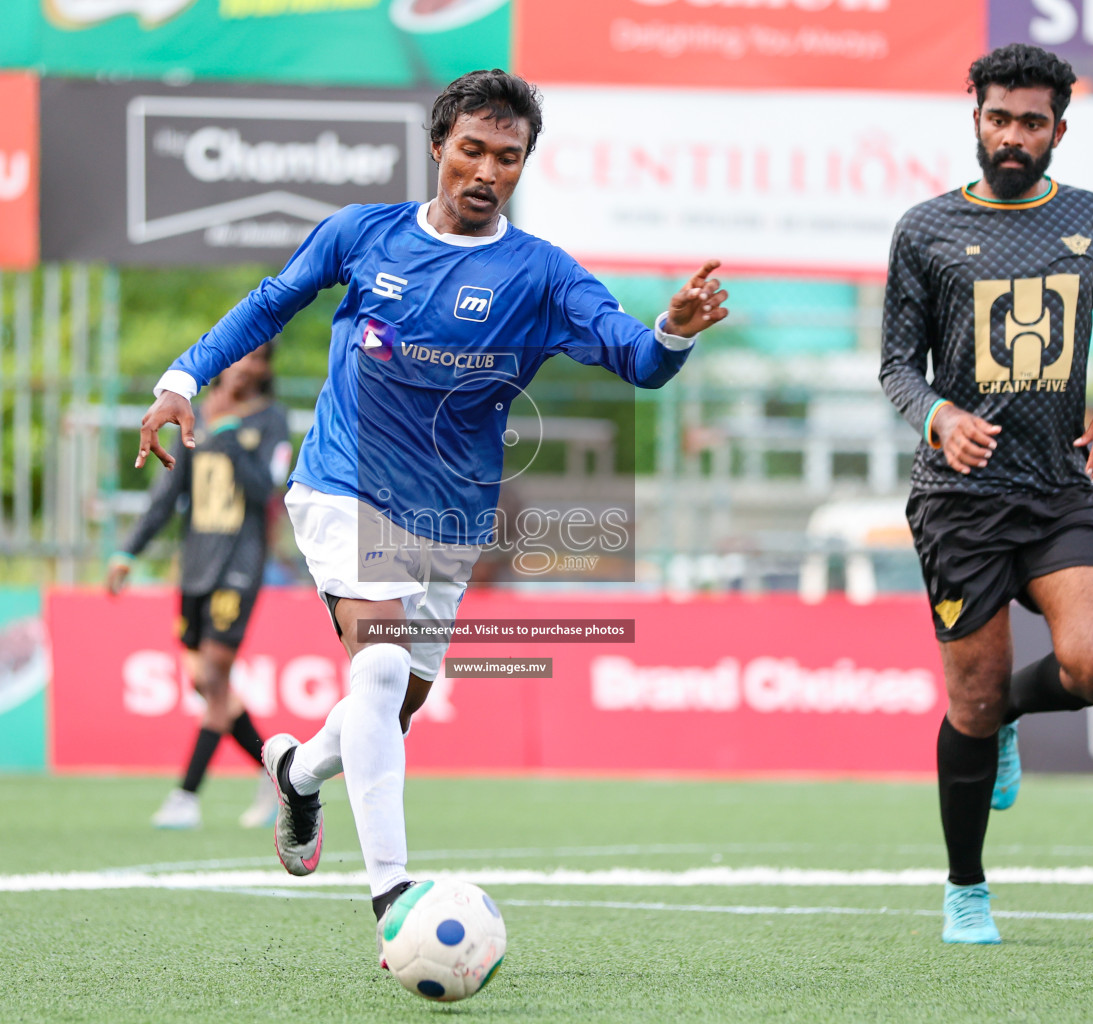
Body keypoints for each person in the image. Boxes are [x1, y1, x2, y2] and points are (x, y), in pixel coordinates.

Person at [135, 69, 728, 956]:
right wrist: (181, 379)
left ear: (525, 166)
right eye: (473, 150)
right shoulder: (362, 235)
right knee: (375, 675)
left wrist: (673, 331)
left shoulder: (540, 274)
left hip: (448, 521)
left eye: (509, 157)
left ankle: (297, 772)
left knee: (400, 703)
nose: (488, 171)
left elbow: (635, 360)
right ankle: (394, 902)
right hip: (344, 485)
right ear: (439, 146)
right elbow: (270, 303)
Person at [879, 44, 1093, 944]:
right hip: (960, 501)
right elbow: (895, 368)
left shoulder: (1091, 220)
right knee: (972, 697)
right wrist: (938, 418)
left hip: (1057, 489)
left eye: (1032, 122)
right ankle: (966, 888)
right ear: (977, 120)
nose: (1013, 136)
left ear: (1058, 131)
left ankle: (1007, 723)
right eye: (999, 118)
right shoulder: (923, 230)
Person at [108, 345, 290, 830]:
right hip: (195, 567)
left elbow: (265, 491)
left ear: (265, 369)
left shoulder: (272, 421)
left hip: (239, 566)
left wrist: (230, 434)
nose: (247, 367)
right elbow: (169, 495)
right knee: (202, 681)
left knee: (212, 676)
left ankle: (186, 797)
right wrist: (129, 551)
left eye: (258, 359)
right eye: (241, 357)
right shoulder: (197, 417)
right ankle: (280, 776)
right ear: (226, 363)